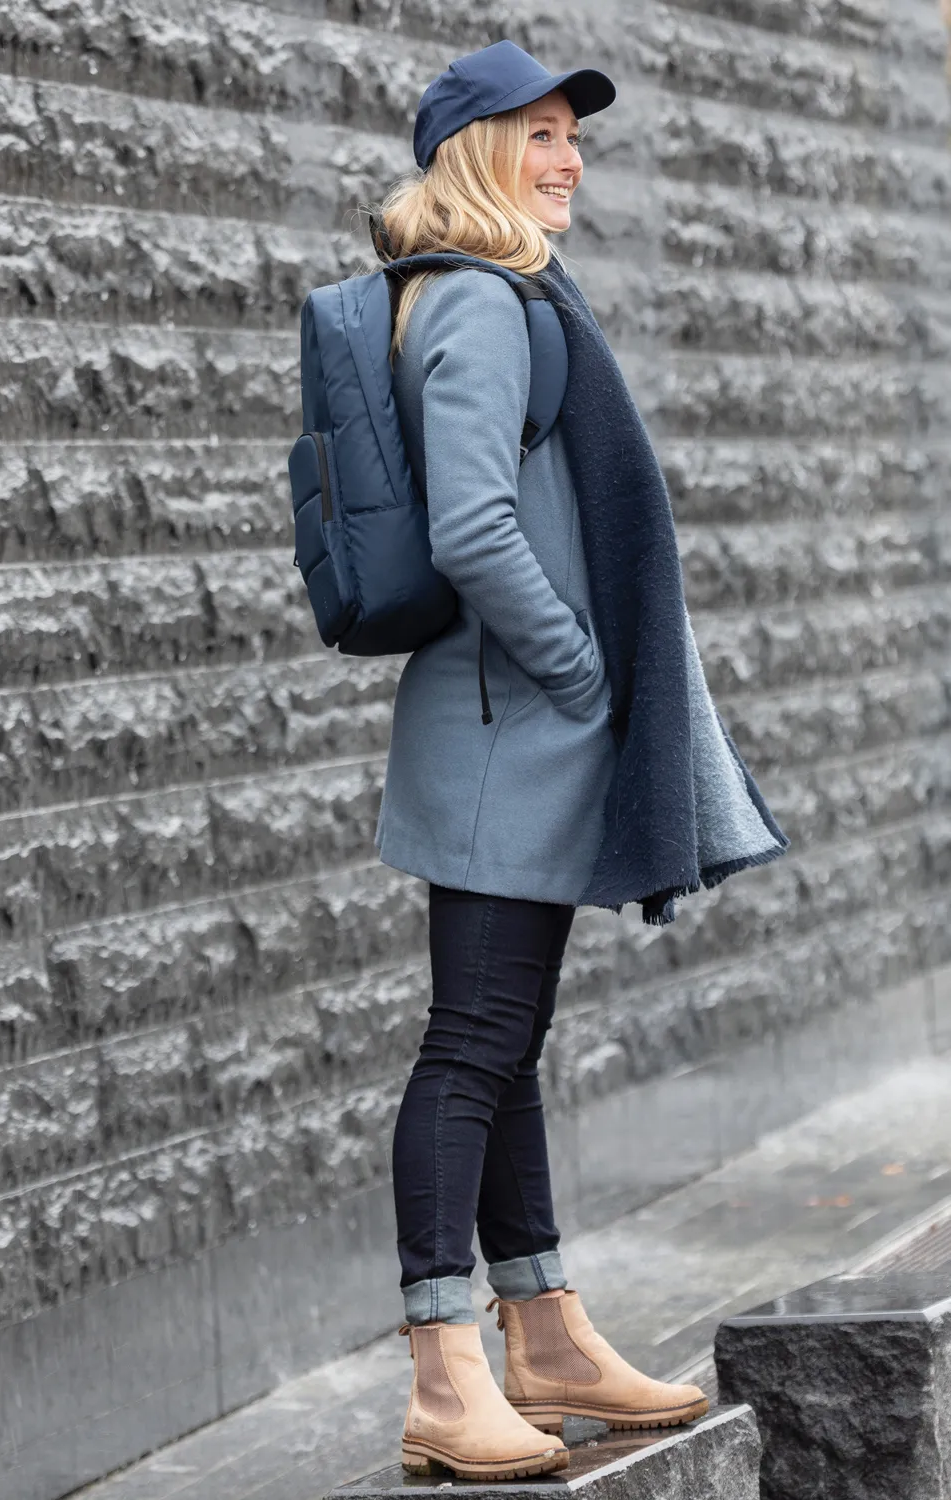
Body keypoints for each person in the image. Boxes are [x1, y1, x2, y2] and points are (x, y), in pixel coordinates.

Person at [370, 39, 788, 1482]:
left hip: (512, 725)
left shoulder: (505, 292)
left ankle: (544, 1336)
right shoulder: (480, 303)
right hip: (510, 728)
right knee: (472, 1045)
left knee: (507, 1041)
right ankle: (445, 1373)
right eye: (539, 133)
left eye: (574, 136)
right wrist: (584, 672)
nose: (569, 159)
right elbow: (475, 527)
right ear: (478, 151)